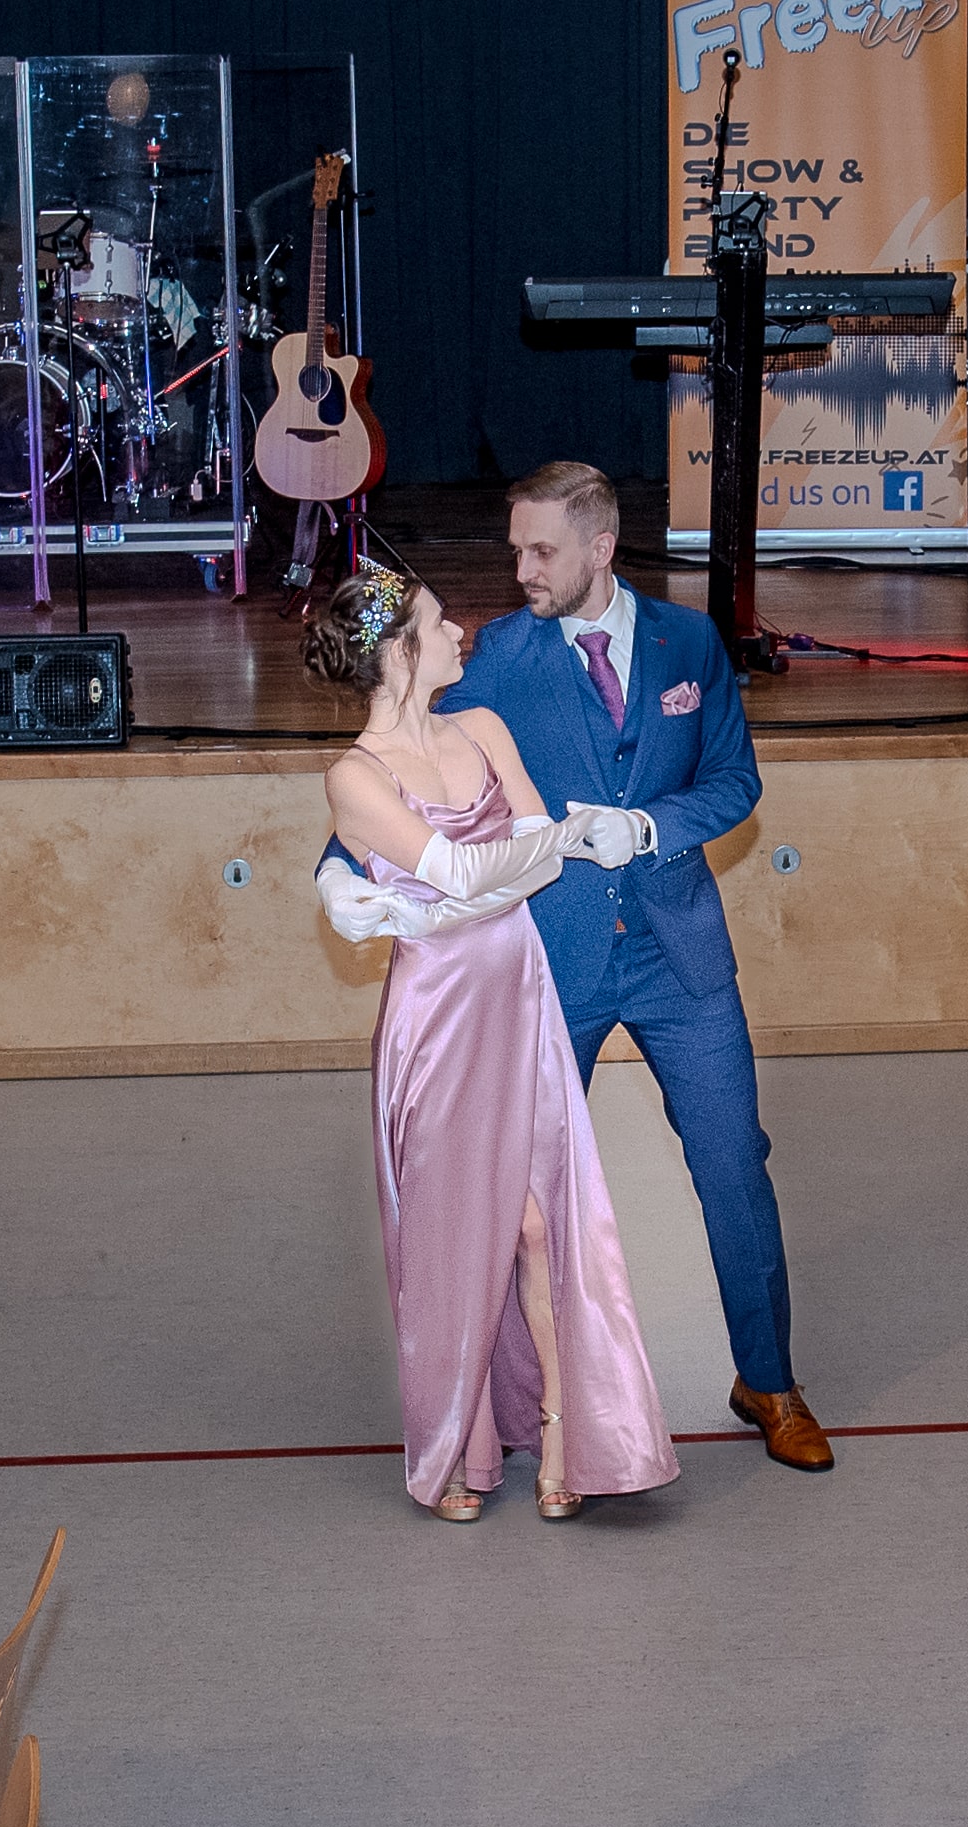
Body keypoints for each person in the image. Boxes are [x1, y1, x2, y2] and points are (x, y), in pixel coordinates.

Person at [315, 462, 834, 1473]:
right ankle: (520, 1406)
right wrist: (337, 868)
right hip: (549, 963)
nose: (520, 570)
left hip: (681, 957)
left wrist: (650, 826)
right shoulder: (499, 659)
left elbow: (736, 781)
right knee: (521, 1194)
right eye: (515, 548)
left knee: (734, 1161)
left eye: (540, 551)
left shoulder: (691, 643)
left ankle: (769, 1381)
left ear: (601, 547)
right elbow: (398, 766)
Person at [310, 557, 678, 1521]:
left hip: (518, 993)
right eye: (437, 623)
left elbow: (520, 870)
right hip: (439, 1020)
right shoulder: (353, 776)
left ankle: (562, 1429)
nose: (458, 632)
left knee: (537, 1224)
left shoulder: (482, 727)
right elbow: (479, 868)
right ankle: (452, 1444)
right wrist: (526, 854)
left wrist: (486, 876)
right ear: (399, 654)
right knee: (453, 1234)